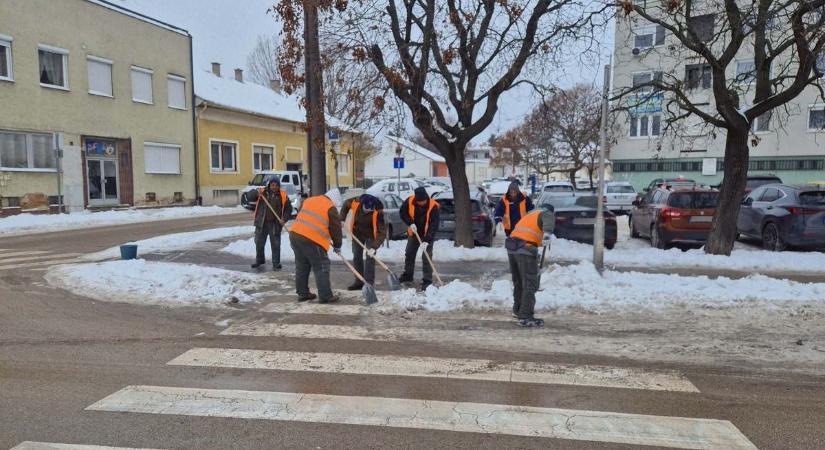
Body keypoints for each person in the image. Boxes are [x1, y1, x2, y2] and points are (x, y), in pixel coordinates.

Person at [289, 188, 343, 303]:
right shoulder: (330, 207)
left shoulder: (310, 200)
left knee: (302, 266)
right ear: (334, 200)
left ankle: (303, 293)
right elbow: (336, 229)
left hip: (295, 235)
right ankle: (325, 296)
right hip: (312, 240)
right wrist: (337, 245)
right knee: (321, 266)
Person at [505, 205, 555, 327]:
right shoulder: (546, 212)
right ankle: (525, 316)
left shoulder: (529, 215)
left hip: (512, 247)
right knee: (530, 283)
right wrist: (547, 234)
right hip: (525, 248)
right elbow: (548, 223)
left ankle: (518, 310)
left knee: (519, 282)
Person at [340, 193, 387, 290]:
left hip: (370, 235)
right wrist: (342, 219)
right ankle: (359, 281)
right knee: (357, 256)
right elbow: (345, 204)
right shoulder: (356, 202)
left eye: (370, 209)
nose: (367, 211)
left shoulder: (378, 212)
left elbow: (382, 232)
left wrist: (374, 247)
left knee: (370, 257)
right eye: (366, 209)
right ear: (362, 204)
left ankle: (369, 283)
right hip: (357, 233)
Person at [399, 186, 440, 290]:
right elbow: (402, 212)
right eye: (419, 201)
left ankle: (427, 281)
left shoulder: (433, 206)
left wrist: (427, 240)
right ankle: (408, 276)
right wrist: (410, 223)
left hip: (427, 234)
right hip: (414, 233)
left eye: (423, 201)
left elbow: (434, 225)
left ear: (426, 198)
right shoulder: (410, 201)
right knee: (409, 253)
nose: (421, 203)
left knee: (426, 257)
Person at [248, 178, 292, 270]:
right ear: (269, 185)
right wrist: (256, 193)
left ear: (279, 186)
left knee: (275, 244)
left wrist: (284, 218)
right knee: (259, 242)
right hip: (262, 223)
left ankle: (276, 263)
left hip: (274, 224)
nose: (274, 187)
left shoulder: (283, 196)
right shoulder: (262, 192)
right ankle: (259, 260)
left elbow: (288, 209)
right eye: (272, 185)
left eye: (276, 185)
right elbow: (250, 195)